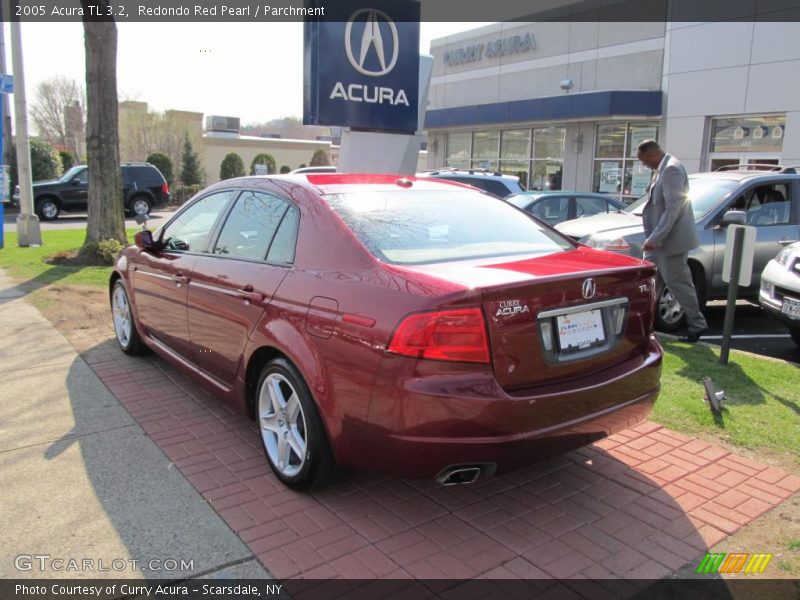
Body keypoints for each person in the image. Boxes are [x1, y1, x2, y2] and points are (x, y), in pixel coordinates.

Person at [636, 140, 708, 342]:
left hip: (669, 244)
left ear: (651, 155)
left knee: (679, 284)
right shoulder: (663, 168)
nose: (644, 165)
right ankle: (645, 325)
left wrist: (656, 238)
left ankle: (697, 324)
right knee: (651, 284)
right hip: (657, 245)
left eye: (644, 160)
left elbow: (673, 208)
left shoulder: (671, 169)